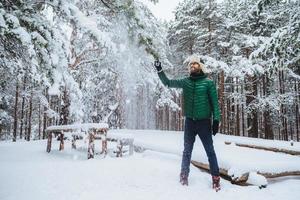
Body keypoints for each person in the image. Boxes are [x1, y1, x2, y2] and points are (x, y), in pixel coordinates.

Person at [154, 55, 221, 191]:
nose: (192, 67)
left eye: (195, 65)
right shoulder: (186, 82)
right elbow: (168, 82)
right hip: (190, 122)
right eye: (191, 65)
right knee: (187, 151)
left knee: (210, 151)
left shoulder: (208, 83)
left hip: (204, 123)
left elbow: (215, 104)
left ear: (200, 67)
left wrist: (216, 120)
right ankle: (184, 175)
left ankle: (216, 178)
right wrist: (160, 70)